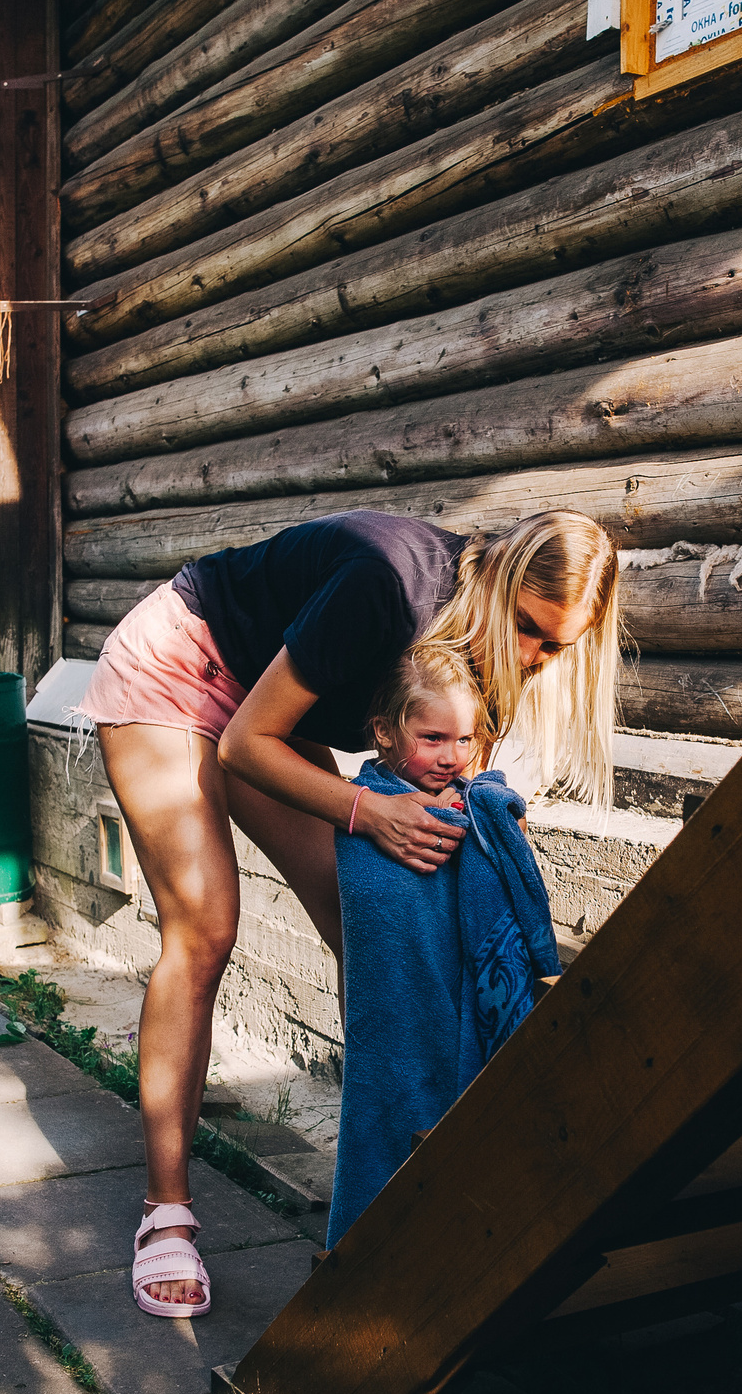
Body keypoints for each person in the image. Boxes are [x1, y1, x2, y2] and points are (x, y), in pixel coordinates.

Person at [81, 509, 622, 1318]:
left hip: (265, 694)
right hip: (181, 664)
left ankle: (393, 1177)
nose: (533, 660)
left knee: (367, 920)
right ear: (504, 582)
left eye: (556, 648)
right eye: (529, 632)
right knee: (206, 924)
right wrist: (367, 815)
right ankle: (167, 1216)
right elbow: (243, 745)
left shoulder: (482, 645)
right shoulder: (387, 584)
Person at [327, 644, 559, 1247]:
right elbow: (378, 916)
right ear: (384, 731)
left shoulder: (474, 809)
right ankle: (366, 1257)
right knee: (386, 1112)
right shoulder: (369, 814)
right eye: (433, 739)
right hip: (397, 1015)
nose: (453, 758)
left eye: (466, 740)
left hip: (456, 1002)